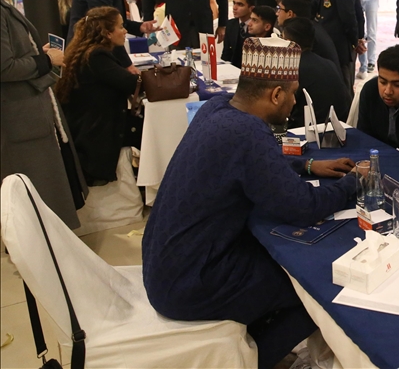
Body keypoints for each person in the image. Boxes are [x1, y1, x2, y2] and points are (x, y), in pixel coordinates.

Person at [142, 38, 360, 369]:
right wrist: (352, 183)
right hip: (190, 283)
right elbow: (303, 206)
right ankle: (255, 360)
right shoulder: (247, 132)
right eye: (292, 93)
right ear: (276, 94)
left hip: (168, 265)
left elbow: (251, 163)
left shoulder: (217, 108)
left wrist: (307, 165)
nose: (294, 101)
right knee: (312, 287)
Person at [1, 0, 86, 228]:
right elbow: (5, 66)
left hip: (25, 112)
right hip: (19, 115)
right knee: (36, 192)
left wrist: (38, 54)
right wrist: (46, 60)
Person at [57, 7, 141, 187]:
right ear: (107, 33)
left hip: (90, 126)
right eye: (120, 26)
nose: (125, 31)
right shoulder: (96, 56)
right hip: (99, 134)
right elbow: (130, 83)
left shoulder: (85, 52)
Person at [281, 17, 350, 128]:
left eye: (281, 39)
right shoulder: (329, 64)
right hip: (339, 126)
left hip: (306, 130)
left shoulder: (293, 70)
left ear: (289, 43)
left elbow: (281, 109)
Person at [276, 0, 340, 72]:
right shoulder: (311, 28)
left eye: (279, 9)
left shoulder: (303, 34)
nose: (277, 13)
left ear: (290, 14)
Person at [221, 0, 256, 67]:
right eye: (234, 3)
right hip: (232, 69)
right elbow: (226, 54)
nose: (234, 8)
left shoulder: (257, 27)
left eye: (240, 4)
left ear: (251, 8)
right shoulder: (230, 24)